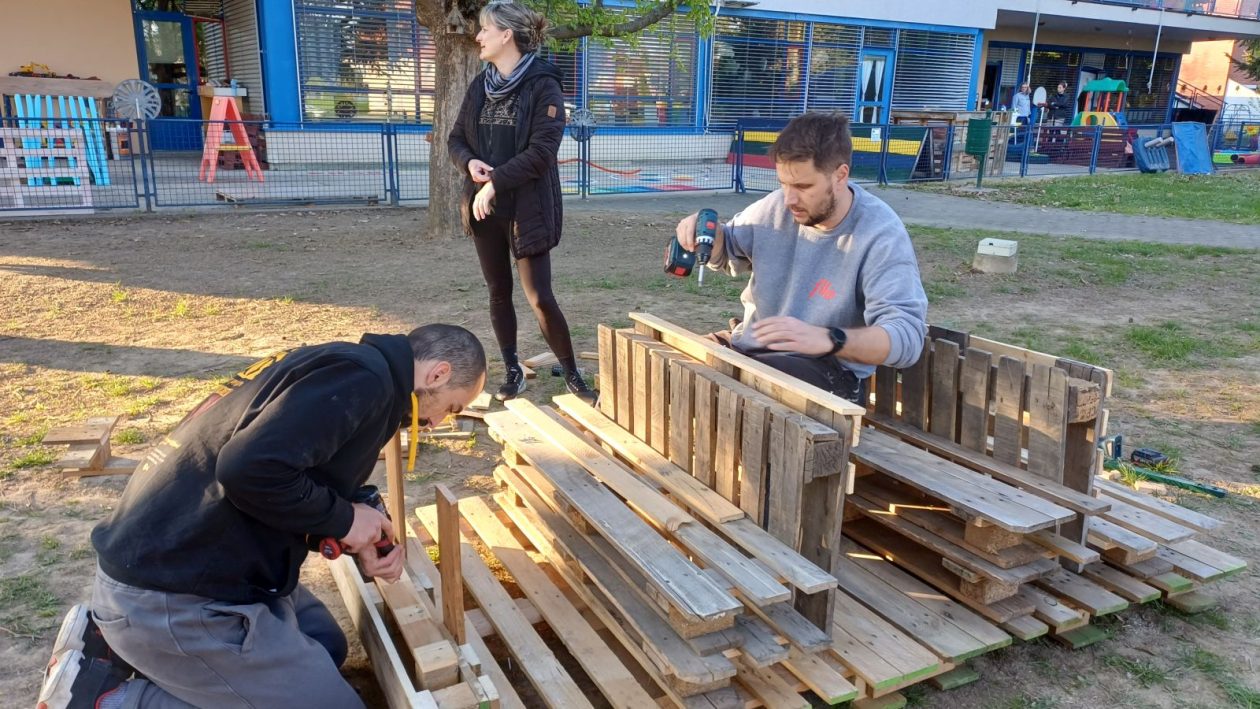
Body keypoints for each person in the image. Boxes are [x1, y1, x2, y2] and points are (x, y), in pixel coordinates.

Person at [37, 325, 488, 709]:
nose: (436, 423)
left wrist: (356, 524)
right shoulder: (365, 383)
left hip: (191, 558)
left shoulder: (349, 368)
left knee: (327, 647)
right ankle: (102, 694)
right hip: (173, 591)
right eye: (450, 407)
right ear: (438, 372)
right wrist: (346, 521)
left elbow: (300, 473)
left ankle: (114, 641)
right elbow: (247, 469)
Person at [673, 112, 927, 405]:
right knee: (662, 363)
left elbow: (907, 338)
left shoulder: (881, 235)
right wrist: (710, 235)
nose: (790, 199)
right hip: (751, 350)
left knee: (726, 392)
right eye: (783, 183)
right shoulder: (777, 206)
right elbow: (728, 248)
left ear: (840, 176)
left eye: (804, 187)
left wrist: (830, 339)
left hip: (827, 374)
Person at [448, 0, 595, 403]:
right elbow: (456, 138)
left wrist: (495, 183)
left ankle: (571, 372)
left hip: (527, 208)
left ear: (506, 35)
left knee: (539, 296)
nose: (478, 36)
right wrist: (471, 162)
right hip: (485, 210)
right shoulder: (481, 85)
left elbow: (542, 152)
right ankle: (513, 369)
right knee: (498, 291)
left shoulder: (543, 84)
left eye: (484, 29)